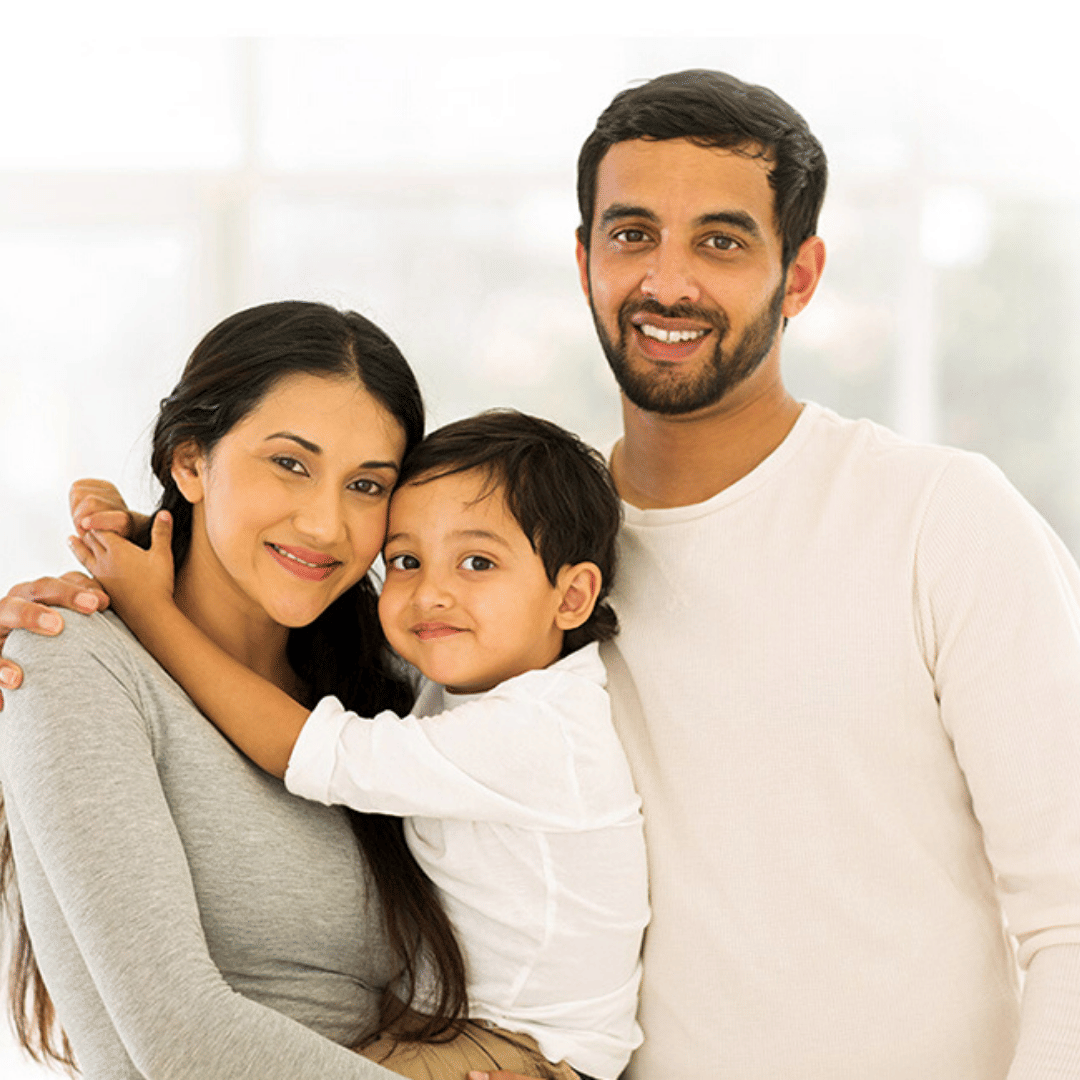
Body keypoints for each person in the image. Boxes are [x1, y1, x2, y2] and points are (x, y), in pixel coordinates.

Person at [5, 68, 1080, 1080]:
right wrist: (104, 567)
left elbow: (1071, 920)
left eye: (721, 239)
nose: (668, 279)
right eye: (632, 234)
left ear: (797, 274)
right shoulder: (509, 567)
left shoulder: (941, 518)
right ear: (584, 263)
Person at [69, 410, 648, 1080]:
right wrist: (152, 533)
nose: (430, 592)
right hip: (451, 1022)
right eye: (405, 560)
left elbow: (296, 747)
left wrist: (148, 609)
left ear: (571, 596)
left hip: (523, 1051)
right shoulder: (474, 681)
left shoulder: (539, 732)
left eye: (478, 562)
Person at [0, 299, 473, 1080]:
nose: (325, 524)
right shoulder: (72, 658)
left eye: (365, 485)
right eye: (290, 463)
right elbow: (179, 1040)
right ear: (190, 462)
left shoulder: (389, 688)